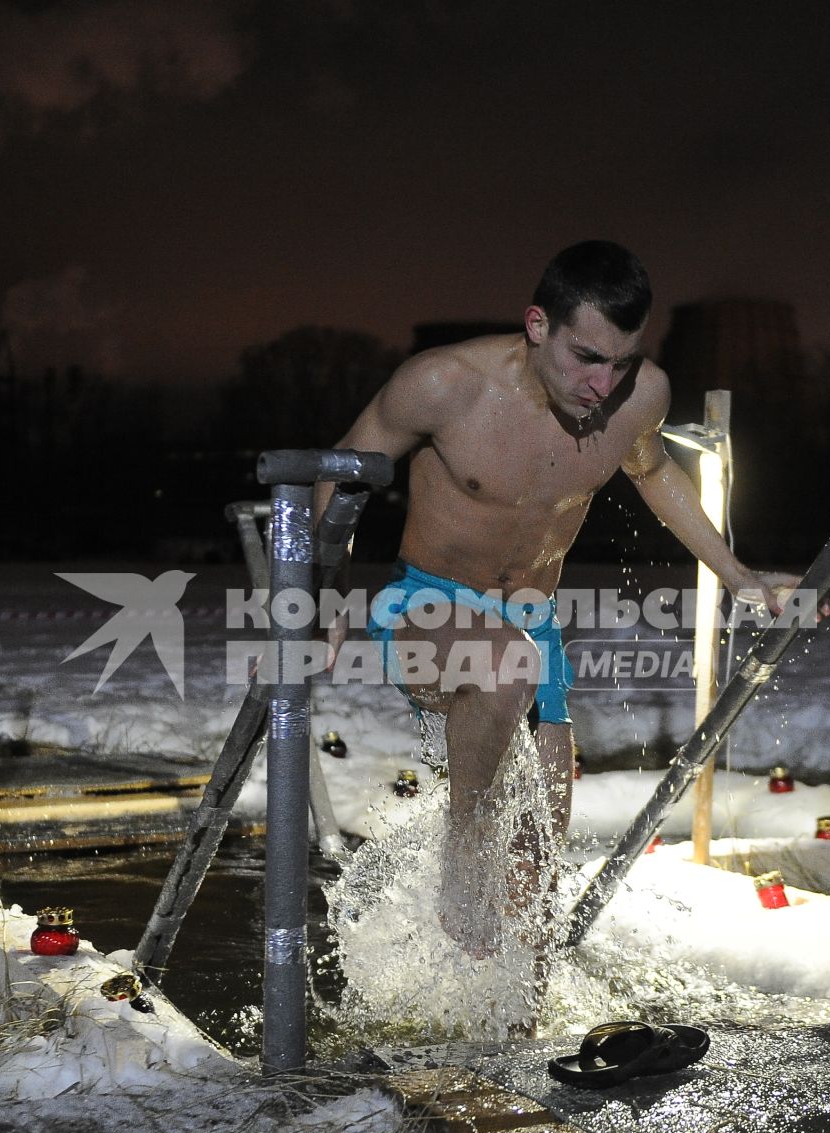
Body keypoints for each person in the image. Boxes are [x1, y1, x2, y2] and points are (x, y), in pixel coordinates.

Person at [317, 241, 803, 965]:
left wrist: (740, 576)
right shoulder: (444, 383)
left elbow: (654, 470)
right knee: (504, 666)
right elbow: (340, 472)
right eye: (586, 357)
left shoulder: (642, 396)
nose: (603, 384)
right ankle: (462, 850)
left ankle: (513, 1036)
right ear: (538, 325)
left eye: (622, 361)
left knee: (536, 874)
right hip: (427, 607)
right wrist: (324, 595)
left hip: (532, 625)